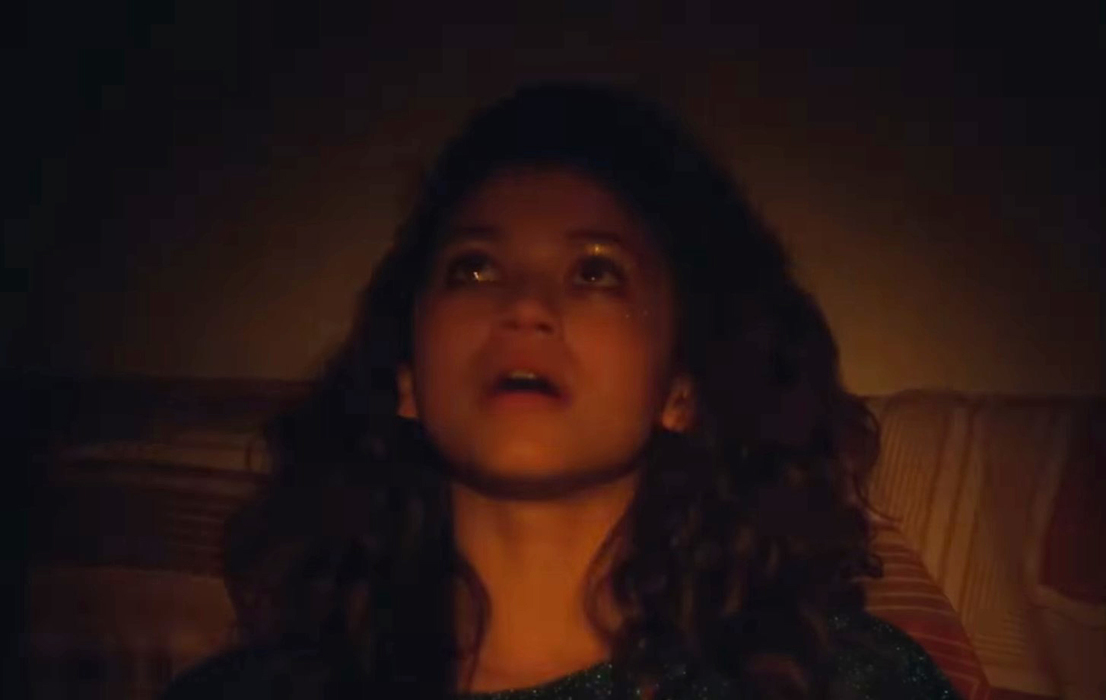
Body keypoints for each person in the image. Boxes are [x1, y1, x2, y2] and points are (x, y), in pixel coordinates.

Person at [162, 82, 962, 699]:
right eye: (474, 269)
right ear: (405, 376)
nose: (526, 307)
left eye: (595, 273)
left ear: (681, 388)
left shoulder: (845, 683)